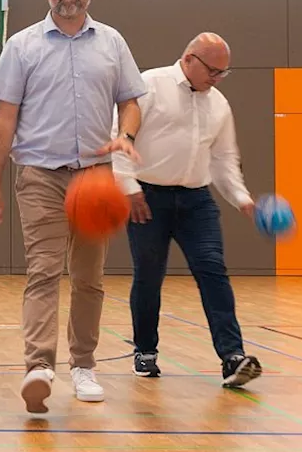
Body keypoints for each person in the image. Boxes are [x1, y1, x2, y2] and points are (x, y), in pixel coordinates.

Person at [0, 0, 146, 415]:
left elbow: (132, 101)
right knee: (44, 270)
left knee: (90, 278)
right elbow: (3, 119)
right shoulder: (23, 46)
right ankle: (39, 367)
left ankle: (84, 366)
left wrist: (125, 136)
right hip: (40, 176)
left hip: (96, 178)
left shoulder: (112, 42)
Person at [110, 32, 263, 388]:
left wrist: (242, 199)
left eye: (224, 72)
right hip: (147, 198)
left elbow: (225, 160)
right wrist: (129, 188)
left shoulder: (219, 104)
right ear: (189, 58)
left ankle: (232, 357)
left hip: (197, 200)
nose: (217, 78)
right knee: (149, 276)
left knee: (213, 270)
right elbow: (119, 138)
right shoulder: (149, 85)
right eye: (213, 70)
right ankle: (145, 351)